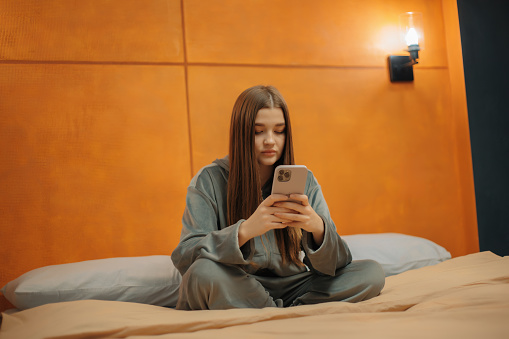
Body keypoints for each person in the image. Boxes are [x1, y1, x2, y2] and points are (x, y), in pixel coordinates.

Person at [171, 85, 385, 310]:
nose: (270, 141)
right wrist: (244, 231)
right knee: (202, 273)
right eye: (258, 131)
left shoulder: (306, 181)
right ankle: (286, 315)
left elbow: (337, 264)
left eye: (279, 131)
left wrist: (317, 228)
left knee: (371, 272)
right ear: (241, 132)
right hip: (236, 284)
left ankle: (273, 314)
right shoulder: (209, 180)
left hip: (295, 286)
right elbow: (186, 257)